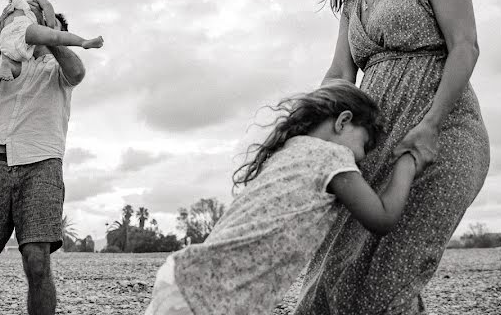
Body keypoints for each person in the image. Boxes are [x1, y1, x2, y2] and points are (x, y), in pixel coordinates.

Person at [293, 0, 490, 314]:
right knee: (336, 272)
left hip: (439, 136)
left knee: (391, 276)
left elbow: (465, 45)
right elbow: (340, 74)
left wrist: (431, 126)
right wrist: (301, 128)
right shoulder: (355, 0)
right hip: (373, 145)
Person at [144, 80, 433, 315]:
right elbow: (381, 218)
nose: (360, 161)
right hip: (208, 298)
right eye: (364, 145)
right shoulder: (333, 156)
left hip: (184, 277)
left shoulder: (289, 151)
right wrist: (407, 164)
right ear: (343, 121)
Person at [0, 0, 102, 315]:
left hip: (42, 165)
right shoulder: (10, 61)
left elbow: (78, 72)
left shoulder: (59, 68)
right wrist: (4, 35)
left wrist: (50, 35)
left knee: (36, 258)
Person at [0, 0, 103, 80]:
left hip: (6, 37)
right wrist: (49, 27)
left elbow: (5, 22)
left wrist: (3, 33)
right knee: (55, 36)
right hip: (24, 30)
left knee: (14, 67)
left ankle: (6, 64)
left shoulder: (13, 3)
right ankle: (83, 42)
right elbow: (48, 6)